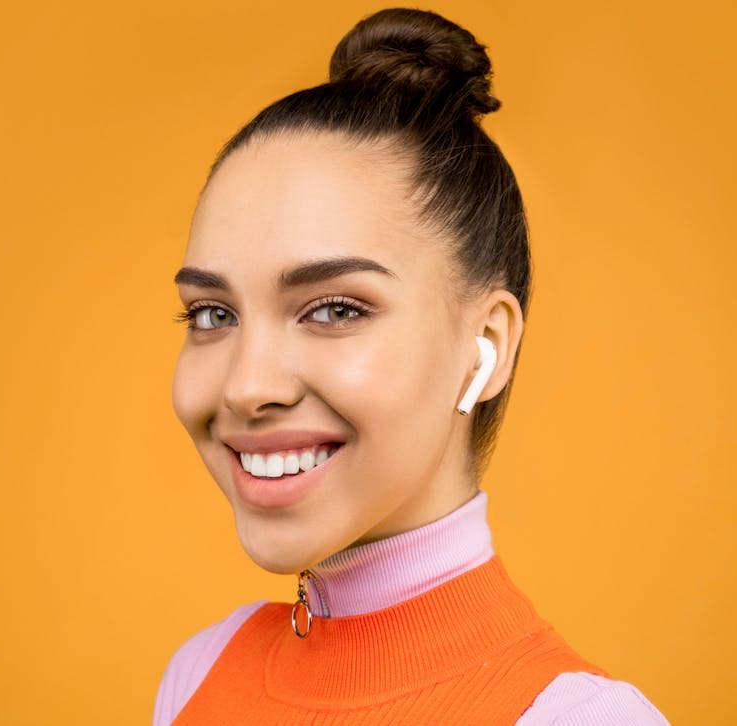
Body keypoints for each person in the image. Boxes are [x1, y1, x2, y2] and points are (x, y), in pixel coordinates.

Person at [156, 8, 669, 724]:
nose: (246, 387)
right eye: (213, 314)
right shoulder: (197, 674)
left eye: (334, 309)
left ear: (485, 345)